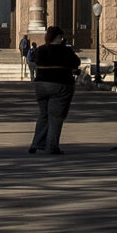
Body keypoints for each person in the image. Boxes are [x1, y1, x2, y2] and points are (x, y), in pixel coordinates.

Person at [28, 24, 80, 152]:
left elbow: (34, 60)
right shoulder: (65, 50)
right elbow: (76, 62)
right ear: (60, 37)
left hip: (41, 85)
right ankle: (52, 146)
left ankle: (37, 143)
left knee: (44, 115)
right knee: (56, 116)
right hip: (60, 85)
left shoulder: (40, 50)